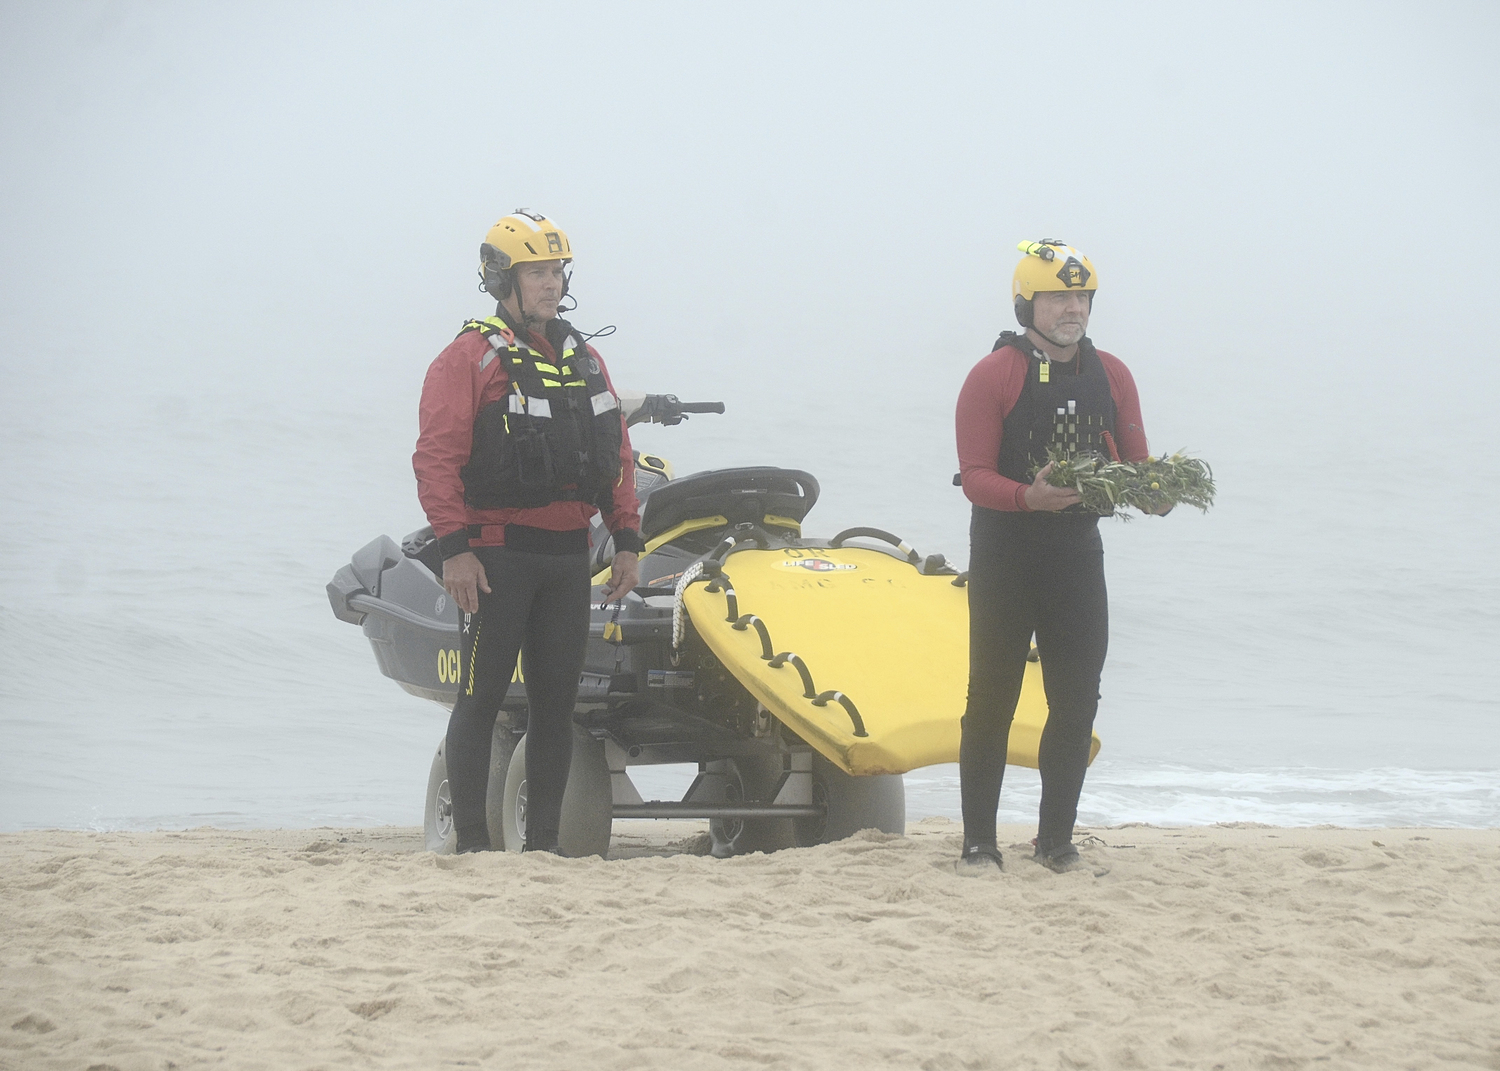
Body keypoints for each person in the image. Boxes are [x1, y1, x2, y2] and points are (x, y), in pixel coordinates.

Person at [413, 209, 642, 854]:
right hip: (496, 557)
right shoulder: (466, 361)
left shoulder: (584, 356)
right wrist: (454, 551)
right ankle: (473, 847)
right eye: (536, 271)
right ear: (501, 278)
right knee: (482, 698)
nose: (551, 283)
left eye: (557, 270)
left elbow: (617, 455)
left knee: (555, 705)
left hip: (568, 559)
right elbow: (436, 459)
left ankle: (542, 848)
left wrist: (626, 539)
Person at [953, 239, 1160, 874]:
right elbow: (974, 476)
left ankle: (1055, 841)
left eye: (1081, 297)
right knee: (993, 699)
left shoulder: (1114, 374)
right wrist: (1028, 498)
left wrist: (1156, 492)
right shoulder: (993, 375)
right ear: (1027, 304)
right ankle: (979, 844)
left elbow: (1135, 464)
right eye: (1058, 297)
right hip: (1005, 554)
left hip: (1077, 556)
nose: (1073, 308)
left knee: (1077, 700)